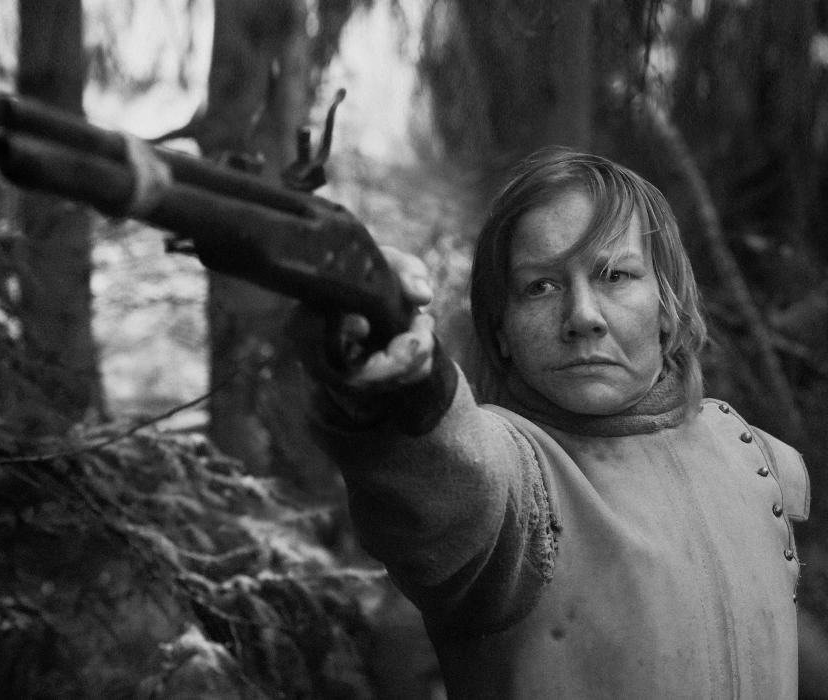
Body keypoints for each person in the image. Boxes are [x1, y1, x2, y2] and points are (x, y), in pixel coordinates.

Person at [297, 148, 811, 698]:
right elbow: (447, 464)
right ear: (501, 331)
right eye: (541, 286)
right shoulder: (515, 482)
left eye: (615, 275)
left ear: (666, 306)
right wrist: (400, 376)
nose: (583, 316)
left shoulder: (755, 459)